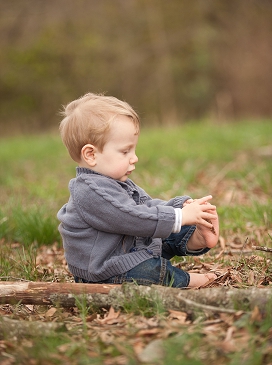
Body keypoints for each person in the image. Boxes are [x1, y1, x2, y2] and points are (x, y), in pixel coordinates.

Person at [57, 93, 220, 288]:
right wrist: (179, 216)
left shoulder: (117, 182)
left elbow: (147, 207)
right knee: (147, 270)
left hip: (125, 251)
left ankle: (196, 238)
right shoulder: (89, 192)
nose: (134, 158)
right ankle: (185, 280)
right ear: (91, 154)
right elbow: (132, 217)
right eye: (125, 152)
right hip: (103, 270)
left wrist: (179, 207)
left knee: (166, 229)